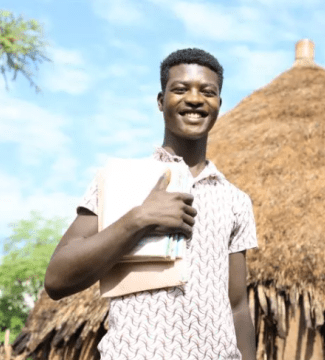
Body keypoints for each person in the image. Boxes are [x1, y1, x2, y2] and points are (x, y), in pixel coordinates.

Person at [45, 48, 258, 360]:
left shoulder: (236, 200)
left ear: (218, 105)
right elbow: (56, 279)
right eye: (181, 89)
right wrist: (138, 220)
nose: (195, 99)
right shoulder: (118, 180)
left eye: (208, 92)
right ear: (161, 101)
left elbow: (238, 307)